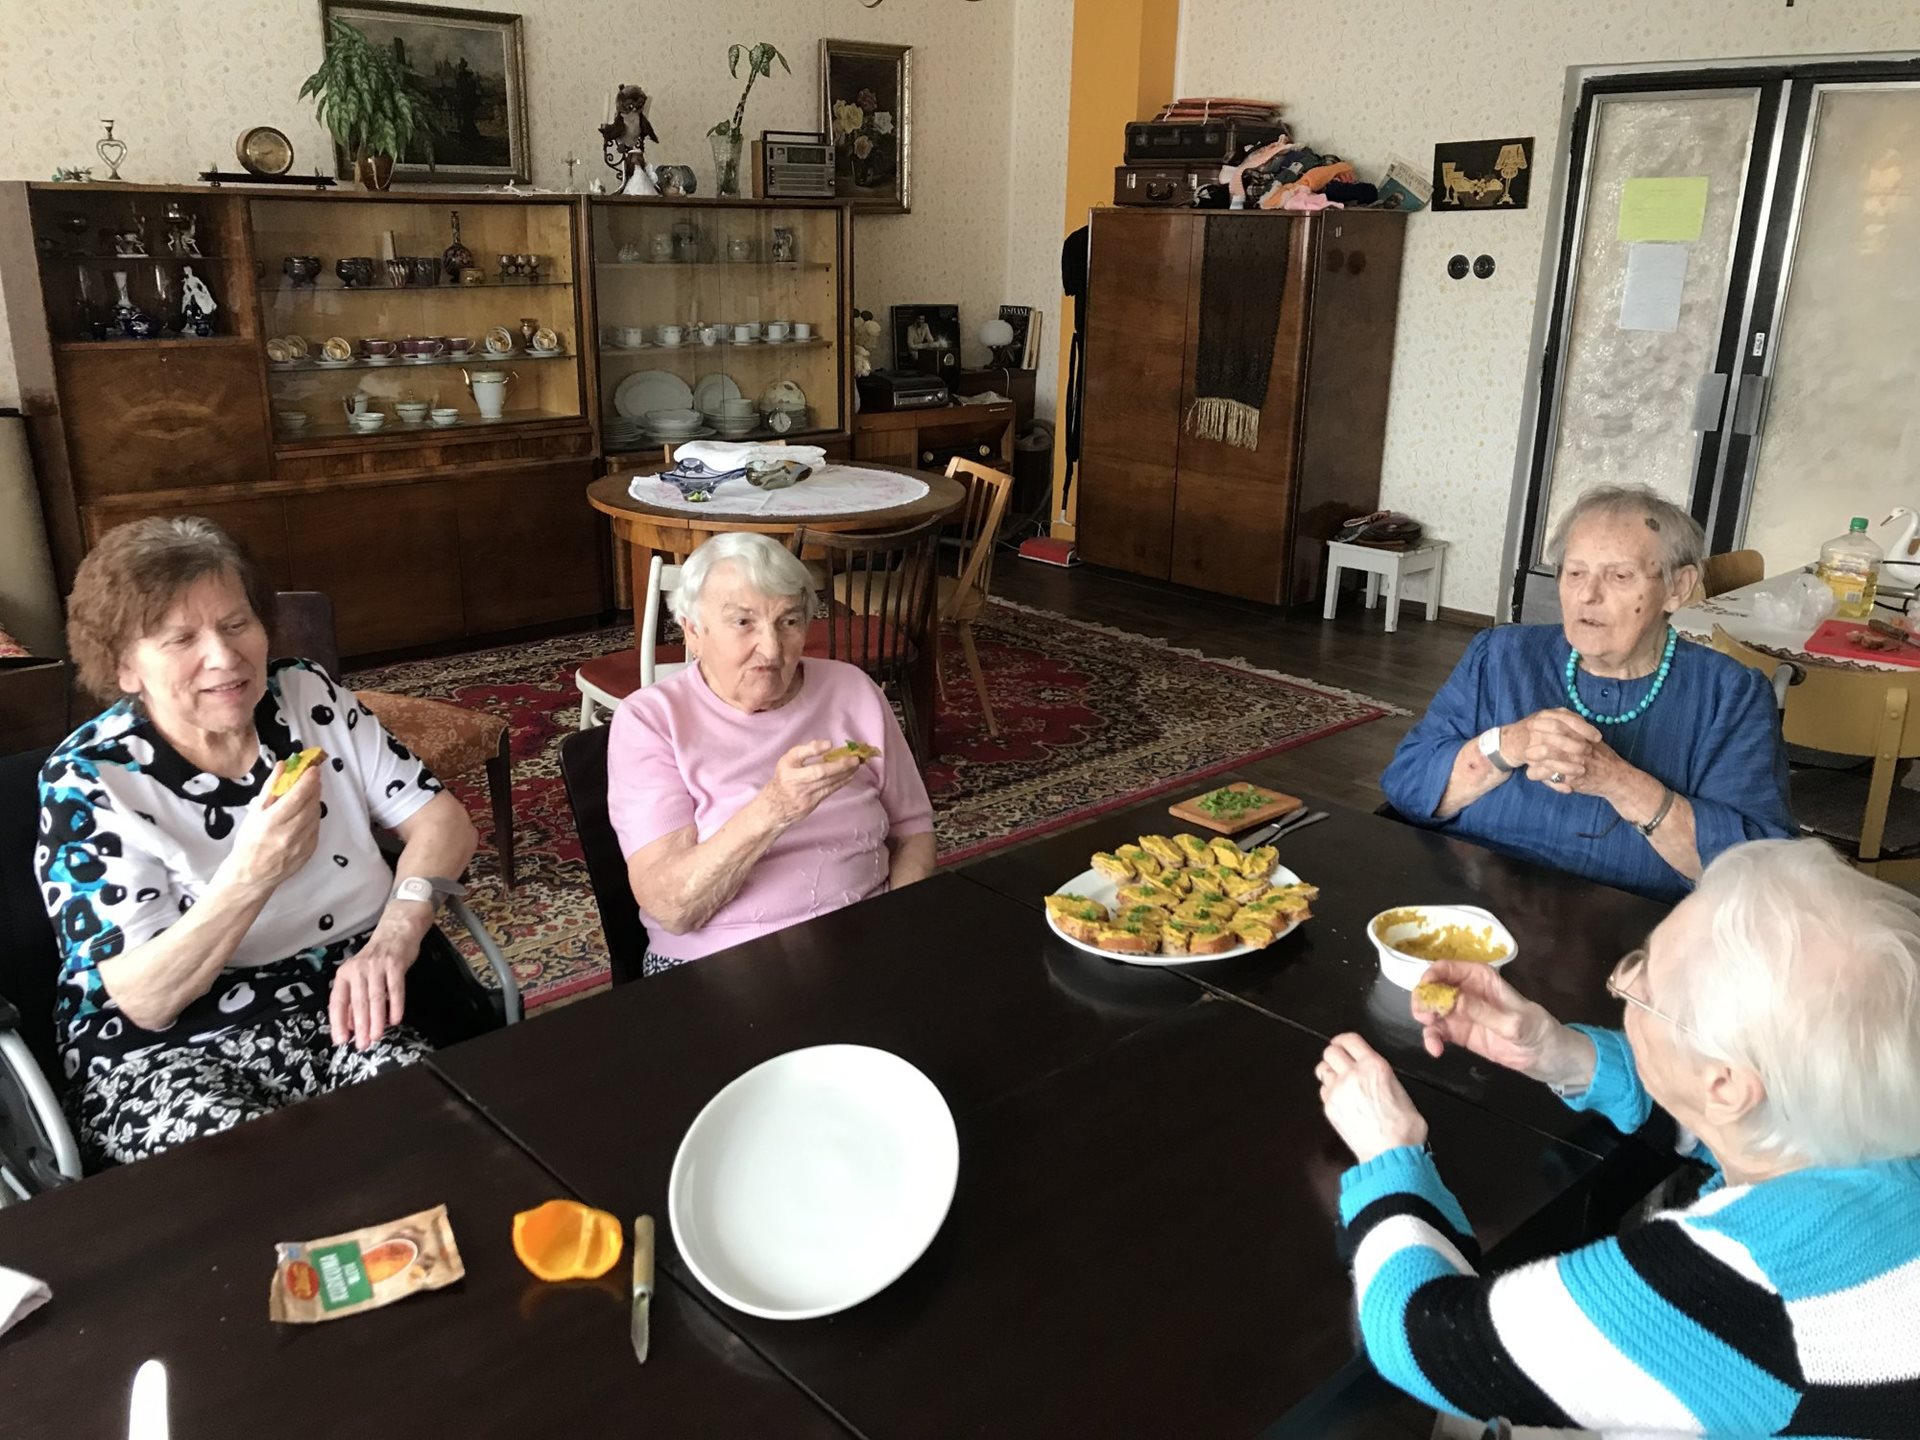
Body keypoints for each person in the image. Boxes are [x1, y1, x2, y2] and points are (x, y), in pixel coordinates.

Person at [1315, 837, 1920, 1437]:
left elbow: (1428, 1340)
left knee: (1453, 1424)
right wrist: (1559, 1053)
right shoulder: (1875, 1132)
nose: (1623, 987)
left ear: (1725, 1083)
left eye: (1642, 986)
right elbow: (1751, 1122)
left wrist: (1387, 1153)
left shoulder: (1746, 1278)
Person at [38, 517, 477, 1168]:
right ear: (125, 666)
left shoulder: (304, 694)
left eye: (236, 623)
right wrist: (255, 871)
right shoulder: (91, 780)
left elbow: (443, 823)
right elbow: (147, 1000)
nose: (224, 656)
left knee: (424, 1137)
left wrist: (394, 936)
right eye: (181, 638)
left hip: (342, 996)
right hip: (167, 1046)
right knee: (251, 1180)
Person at [1381, 485, 1793, 902]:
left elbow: (1758, 871)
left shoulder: (1730, 695)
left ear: (1678, 587)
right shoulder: (1501, 656)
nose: (1587, 595)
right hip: (1471, 907)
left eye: (1619, 576)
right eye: (1575, 573)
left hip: (1637, 926)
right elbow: (1406, 785)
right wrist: (1508, 744)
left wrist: (1618, 782)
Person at [607, 532, 936, 976]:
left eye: (789, 621)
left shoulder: (853, 690)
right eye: (743, 622)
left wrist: (898, 928)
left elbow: (913, 831)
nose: (772, 647)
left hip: (866, 936)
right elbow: (673, 908)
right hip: (721, 965)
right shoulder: (651, 721)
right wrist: (774, 809)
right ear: (693, 631)